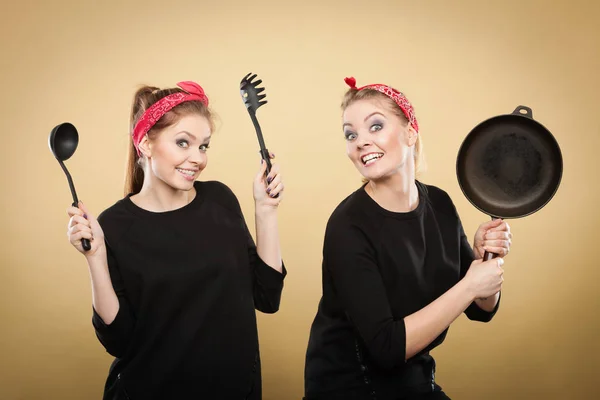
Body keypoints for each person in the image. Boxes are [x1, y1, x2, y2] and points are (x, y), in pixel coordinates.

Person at [66, 81, 286, 399]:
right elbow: (119, 342)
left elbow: (267, 297)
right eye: (183, 143)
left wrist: (266, 210)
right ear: (144, 143)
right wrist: (95, 258)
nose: (197, 158)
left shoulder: (220, 200)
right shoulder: (113, 225)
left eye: (204, 146)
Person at [303, 77, 512, 400]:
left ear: (411, 132)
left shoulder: (440, 205)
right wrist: (470, 284)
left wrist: (487, 258)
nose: (360, 141)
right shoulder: (348, 226)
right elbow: (387, 347)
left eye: (375, 126)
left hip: (413, 383)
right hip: (349, 388)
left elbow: (482, 309)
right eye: (350, 134)